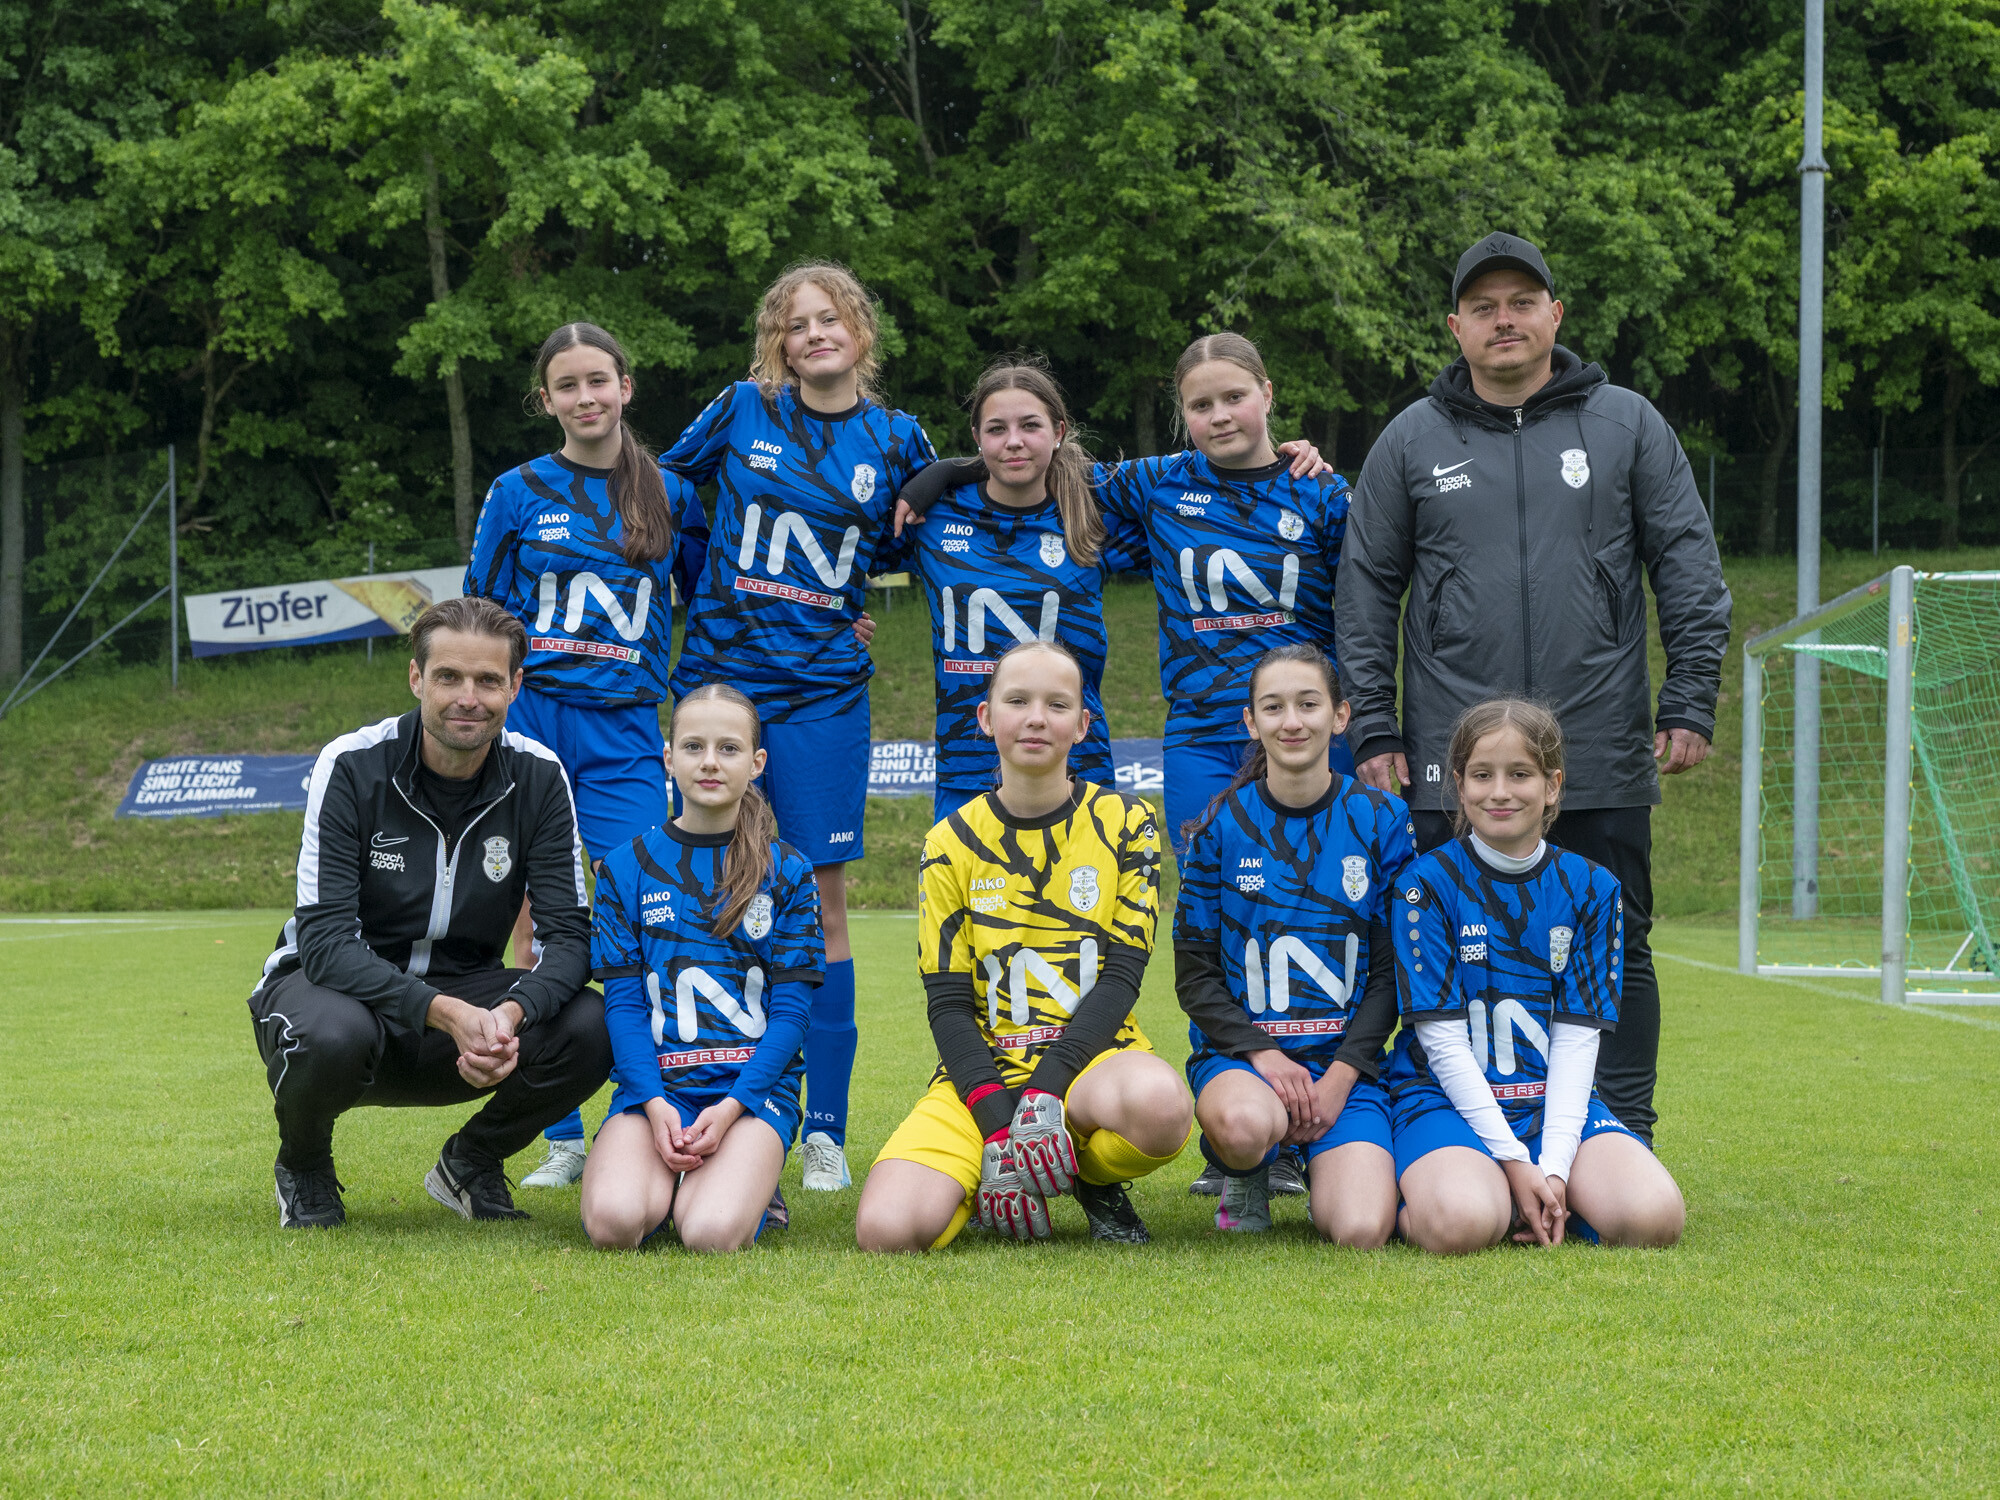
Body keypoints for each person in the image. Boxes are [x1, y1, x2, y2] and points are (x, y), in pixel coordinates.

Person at [1337, 231, 1731, 1145]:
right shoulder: (1410, 439)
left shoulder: (1628, 424)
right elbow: (1365, 590)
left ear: (1556, 314)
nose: (1504, 320)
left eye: (1522, 302)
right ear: (1456, 327)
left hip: (1595, 744)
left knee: (1616, 945)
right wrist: (1376, 728)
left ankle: (1619, 1135)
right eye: (1484, 307)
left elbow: (1687, 565)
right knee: (1441, 951)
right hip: (1453, 756)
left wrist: (1689, 696)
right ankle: (1454, 1139)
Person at [664, 260, 936, 1194]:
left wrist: (851, 603)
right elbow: (657, 497)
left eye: (830, 319)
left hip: (823, 693)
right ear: (777, 342)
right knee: (701, 888)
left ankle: (825, 1130)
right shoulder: (742, 409)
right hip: (721, 687)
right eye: (796, 323)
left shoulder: (898, 438)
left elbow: (917, 538)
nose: (815, 334)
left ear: (861, 330)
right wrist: (700, 577)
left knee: (821, 904)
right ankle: (703, 1109)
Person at [896, 333, 1346, 853]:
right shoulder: (1158, 483)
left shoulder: (1320, 491)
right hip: (1198, 732)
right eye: (1201, 404)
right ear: (1183, 412)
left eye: (1234, 397)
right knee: (1208, 879)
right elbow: (1030, 462)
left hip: (1305, 722)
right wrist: (944, 472)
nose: (1220, 415)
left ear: (1267, 394)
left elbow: (1366, 610)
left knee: (1321, 876)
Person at [245, 596, 610, 1229]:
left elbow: (571, 941)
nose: (468, 698)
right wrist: (446, 1014)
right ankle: (304, 1165)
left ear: (515, 686)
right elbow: (326, 944)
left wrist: (507, 1015)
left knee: (594, 1023)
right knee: (331, 1036)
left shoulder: (539, 776)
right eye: (448, 677)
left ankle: (472, 1161)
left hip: (467, 1002)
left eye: (488, 680)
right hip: (341, 1001)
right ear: (416, 678)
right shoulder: (351, 763)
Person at [464, 321, 706, 1188]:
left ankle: (642, 1112)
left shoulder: (673, 493)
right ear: (547, 400)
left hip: (627, 735)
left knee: (649, 910)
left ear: (625, 386)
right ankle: (559, 1131)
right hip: (535, 727)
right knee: (536, 920)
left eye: (598, 380)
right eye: (567, 385)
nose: (585, 397)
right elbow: (481, 618)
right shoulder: (517, 491)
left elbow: (711, 601)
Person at [854, 640, 1193, 1251]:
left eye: (1057, 705)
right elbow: (948, 1005)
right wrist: (996, 1130)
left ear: (1082, 725)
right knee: (886, 1230)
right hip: (984, 1076)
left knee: (1162, 1105)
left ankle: (1088, 1178)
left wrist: (1044, 1093)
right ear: (986, 718)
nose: (1036, 718)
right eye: (1017, 701)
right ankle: (997, 1174)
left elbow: (1122, 976)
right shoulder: (949, 841)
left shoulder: (1126, 821)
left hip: (1089, 1068)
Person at [1383, 698, 1686, 1254]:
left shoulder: (1593, 887)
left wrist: (1554, 1169)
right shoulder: (1423, 885)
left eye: (1520, 774)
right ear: (1459, 785)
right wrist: (1514, 1160)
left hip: (1549, 1105)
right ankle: (1442, 1197)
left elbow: (1576, 1040)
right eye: (1482, 775)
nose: (1500, 792)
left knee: (1655, 1217)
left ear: (1552, 786)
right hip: (1445, 1101)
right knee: (1463, 1222)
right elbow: (1443, 1044)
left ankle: (1540, 1202)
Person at [1174, 644, 1412, 1243]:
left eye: (1309, 704)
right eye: (1273, 707)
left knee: (1361, 1229)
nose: (1292, 722)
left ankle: (1326, 1164)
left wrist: (1340, 1078)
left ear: (1340, 715)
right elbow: (1195, 977)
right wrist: (1264, 1055)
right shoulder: (1220, 825)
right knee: (1244, 1122)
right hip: (1245, 1062)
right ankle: (1246, 1165)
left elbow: (1393, 974)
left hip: (1342, 1067)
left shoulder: (1382, 819)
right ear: (1251, 722)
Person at [580, 684, 825, 1253]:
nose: (710, 761)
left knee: (709, 1233)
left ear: (756, 764)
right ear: (669, 758)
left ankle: (745, 1183)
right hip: (656, 1093)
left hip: (752, 1096)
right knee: (614, 1224)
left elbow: (792, 1017)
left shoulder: (789, 871)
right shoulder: (623, 868)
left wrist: (734, 1106)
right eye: (693, 746)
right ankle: (667, 1179)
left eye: (728, 748)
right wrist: (653, 1102)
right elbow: (624, 1007)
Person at [874, 356, 1145, 825]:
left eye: (1030, 426)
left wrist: (1277, 464)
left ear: (1059, 432)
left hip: (1076, 766)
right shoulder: (934, 515)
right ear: (977, 438)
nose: (1013, 441)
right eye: (996, 429)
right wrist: (839, 621)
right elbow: (837, 554)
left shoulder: (1094, 515)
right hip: (967, 764)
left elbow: (1195, 525)